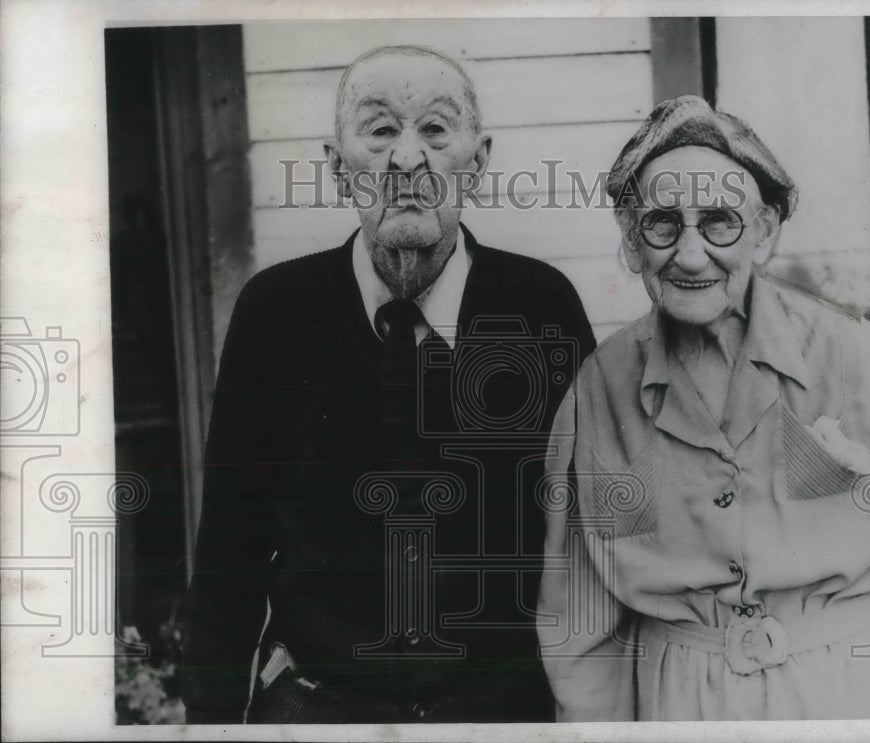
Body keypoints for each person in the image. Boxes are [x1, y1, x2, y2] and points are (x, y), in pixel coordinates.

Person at [181, 45, 595, 724]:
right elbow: (229, 551)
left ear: (479, 159)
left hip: (499, 713)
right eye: (379, 131)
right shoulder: (275, 313)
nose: (408, 160)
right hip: (320, 707)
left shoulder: (539, 307)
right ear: (338, 168)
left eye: (435, 129)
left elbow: (591, 539)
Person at [537, 95, 870, 720]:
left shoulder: (859, 358)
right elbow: (580, 629)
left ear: (764, 232)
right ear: (632, 242)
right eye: (662, 223)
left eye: (720, 221)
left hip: (855, 696)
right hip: (680, 706)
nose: (689, 254)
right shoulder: (599, 389)